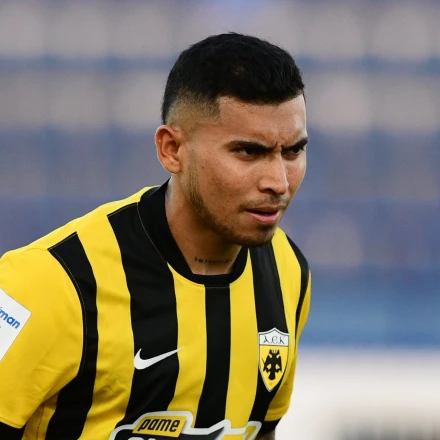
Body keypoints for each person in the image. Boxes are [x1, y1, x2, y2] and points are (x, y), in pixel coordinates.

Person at [0, 32, 311, 440]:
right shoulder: (50, 283)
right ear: (172, 150)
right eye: (248, 152)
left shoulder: (288, 271)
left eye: (293, 151)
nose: (278, 182)